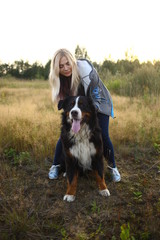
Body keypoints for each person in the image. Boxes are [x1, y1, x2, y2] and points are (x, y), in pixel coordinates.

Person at [48, 48, 121, 182]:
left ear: (72, 61)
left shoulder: (86, 71)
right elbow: (66, 106)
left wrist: (89, 119)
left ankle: (113, 167)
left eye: (68, 63)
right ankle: (56, 165)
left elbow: (96, 98)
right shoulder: (59, 81)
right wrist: (74, 119)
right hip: (79, 106)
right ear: (56, 69)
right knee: (65, 134)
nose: (65, 68)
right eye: (61, 66)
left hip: (99, 103)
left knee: (102, 134)